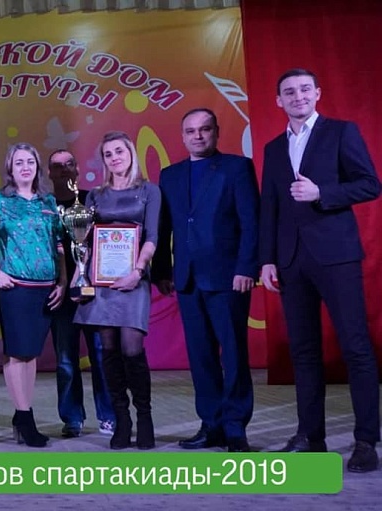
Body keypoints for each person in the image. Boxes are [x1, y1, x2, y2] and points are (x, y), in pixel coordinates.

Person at [258, 68, 380, 472]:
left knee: (355, 347)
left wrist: (322, 192)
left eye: (305, 89)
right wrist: (267, 259)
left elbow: (370, 184)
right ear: (278, 100)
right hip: (292, 261)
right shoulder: (274, 148)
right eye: (289, 92)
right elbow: (269, 206)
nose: (298, 96)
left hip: (337, 256)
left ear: (317, 93)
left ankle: (366, 441)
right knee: (304, 351)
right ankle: (310, 437)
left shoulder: (341, 132)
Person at [154, 108, 258, 453]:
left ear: (216, 132)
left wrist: (247, 267)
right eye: (191, 131)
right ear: (182, 136)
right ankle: (211, 424)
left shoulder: (237, 168)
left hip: (229, 277)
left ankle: (235, 427)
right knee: (201, 357)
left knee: (234, 354)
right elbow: (164, 228)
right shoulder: (170, 175)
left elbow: (251, 222)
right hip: (187, 279)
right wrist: (162, 271)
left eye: (204, 129)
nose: (198, 136)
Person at [74, 131, 161, 450]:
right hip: (101, 280)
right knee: (108, 349)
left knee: (131, 348)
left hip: (134, 277)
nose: (114, 158)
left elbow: (152, 236)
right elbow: (84, 240)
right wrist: (80, 273)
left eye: (119, 151)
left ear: (131, 153)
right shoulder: (95, 196)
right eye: (108, 154)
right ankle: (122, 420)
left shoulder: (149, 191)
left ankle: (145, 417)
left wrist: (137, 271)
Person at [0, 143, 66, 448]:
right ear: (10, 168)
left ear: (37, 167)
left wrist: (62, 281)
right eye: (19, 162)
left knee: (30, 354)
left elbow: (59, 245)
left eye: (30, 161)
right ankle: (25, 418)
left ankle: (22, 415)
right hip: (13, 286)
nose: (25, 167)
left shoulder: (48, 201)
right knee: (17, 353)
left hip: (46, 288)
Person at [47, 149, 115, 438]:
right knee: (65, 359)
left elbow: (105, 243)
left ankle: (109, 416)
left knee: (101, 355)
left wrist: (85, 276)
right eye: (57, 166)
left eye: (69, 164)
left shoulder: (91, 201)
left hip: (93, 291)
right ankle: (72, 418)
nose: (64, 169)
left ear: (77, 169)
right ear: (48, 173)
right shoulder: (44, 205)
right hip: (60, 293)